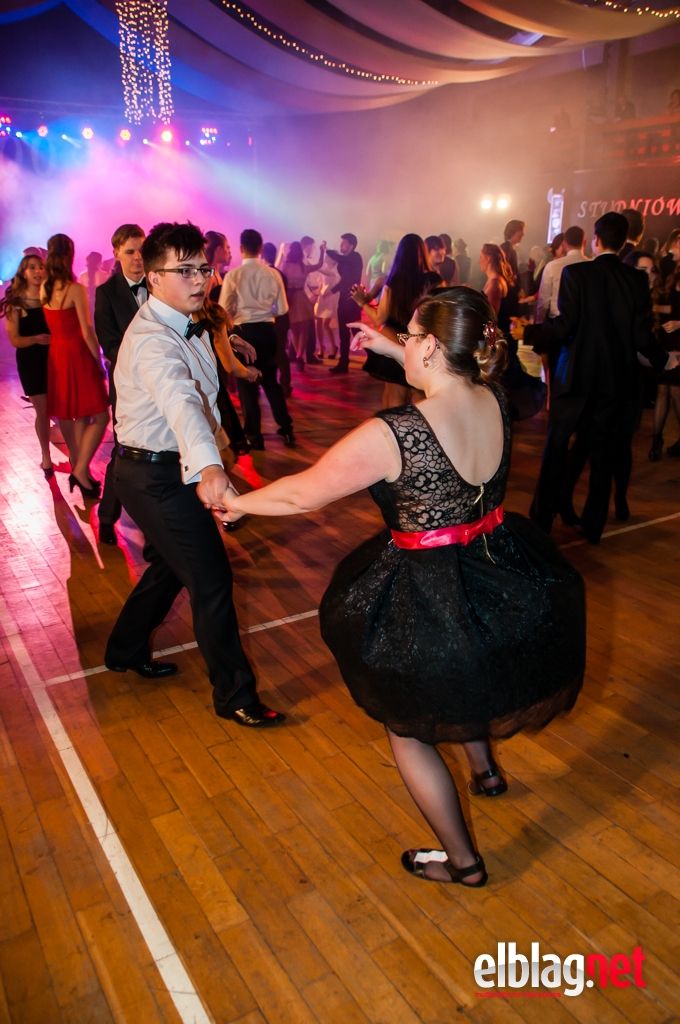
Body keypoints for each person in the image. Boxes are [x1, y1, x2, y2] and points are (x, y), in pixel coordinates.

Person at [212, 287, 585, 885]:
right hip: (496, 568)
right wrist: (392, 348)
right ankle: (486, 773)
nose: (402, 341)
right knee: (470, 672)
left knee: (408, 726)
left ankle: (463, 864)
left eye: (408, 336)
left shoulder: (394, 434)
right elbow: (447, 384)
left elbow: (304, 493)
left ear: (432, 347)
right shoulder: (493, 396)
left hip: (431, 588)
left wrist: (237, 504)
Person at [105, 221, 285, 727]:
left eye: (203, 269)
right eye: (184, 271)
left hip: (164, 467)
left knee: (170, 565)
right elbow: (182, 402)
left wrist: (232, 343)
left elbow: (202, 396)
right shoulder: (152, 339)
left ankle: (124, 648)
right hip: (152, 476)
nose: (200, 279)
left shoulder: (187, 318)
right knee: (211, 578)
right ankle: (235, 695)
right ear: (154, 277)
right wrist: (209, 467)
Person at [526, 212, 677, 542]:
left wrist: (529, 333)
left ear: (595, 239)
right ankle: (593, 526)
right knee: (602, 454)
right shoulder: (635, 280)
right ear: (623, 242)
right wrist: (664, 358)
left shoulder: (576, 273)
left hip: (574, 376)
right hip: (613, 380)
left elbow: (566, 325)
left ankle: (541, 521)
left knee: (556, 449)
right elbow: (641, 336)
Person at [41, 233, 109, 498]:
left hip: (57, 353)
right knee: (100, 415)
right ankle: (80, 469)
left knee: (78, 414)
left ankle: (82, 469)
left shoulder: (44, 288)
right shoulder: (75, 289)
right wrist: (99, 361)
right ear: (70, 255)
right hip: (76, 353)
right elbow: (87, 331)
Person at [95, 223, 147, 543]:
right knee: (124, 451)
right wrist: (142, 365)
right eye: (130, 252)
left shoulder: (159, 285)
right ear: (116, 253)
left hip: (162, 383)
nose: (138, 257)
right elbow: (109, 344)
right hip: (128, 385)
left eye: (142, 250)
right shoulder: (107, 293)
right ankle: (107, 516)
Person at [219, 229, 295, 449]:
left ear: (241, 248)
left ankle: (254, 436)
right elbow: (282, 309)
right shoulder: (273, 274)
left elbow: (223, 309)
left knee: (247, 386)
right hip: (268, 330)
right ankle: (287, 429)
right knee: (271, 382)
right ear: (260, 248)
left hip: (244, 332)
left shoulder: (233, 276)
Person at [351, 233, 440, 408]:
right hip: (421, 342)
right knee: (420, 393)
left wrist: (362, 303)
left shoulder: (393, 281)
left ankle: (391, 426)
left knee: (394, 393)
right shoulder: (434, 280)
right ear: (423, 253)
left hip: (393, 338)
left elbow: (379, 318)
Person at [1, 253, 53, 476]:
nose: (37, 271)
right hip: (31, 361)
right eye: (32, 267)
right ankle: (46, 455)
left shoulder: (50, 298)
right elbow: (15, 340)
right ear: (23, 273)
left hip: (55, 358)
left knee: (59, 408)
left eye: (40, 266)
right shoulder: (16, 304)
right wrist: (35, 339)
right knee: (43, 411)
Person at [281, 239, 326, 369]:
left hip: (289, 298)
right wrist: (322, 252)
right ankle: (300, 355)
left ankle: (299, 356)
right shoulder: (302, 266)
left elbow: (280, 280)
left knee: (294, 330)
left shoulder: (286, 266)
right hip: (301, 298)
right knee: (304, 331)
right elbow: (319, 265)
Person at [327, 233, 363, 374]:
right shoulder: (346, 259)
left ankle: (376, 358)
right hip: (344, 298)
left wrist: (327, 250)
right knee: (344, 332)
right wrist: (332, 291)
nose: (341, 245)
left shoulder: (355, 257)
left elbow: (348, 279)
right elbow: (344, 279)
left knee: (356, 332)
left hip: (352, 299)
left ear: (351, 245)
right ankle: (343, 362)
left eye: (343, 243)